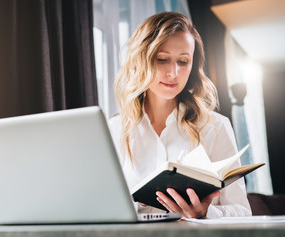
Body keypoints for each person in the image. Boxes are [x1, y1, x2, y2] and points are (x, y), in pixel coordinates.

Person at [108, 12, 252, 218]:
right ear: (141, 60)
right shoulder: (116, 129)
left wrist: (206, 213)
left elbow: (243, 212)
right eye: (162, 59)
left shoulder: (215, 126)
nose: (173, 72)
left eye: (183, 62)